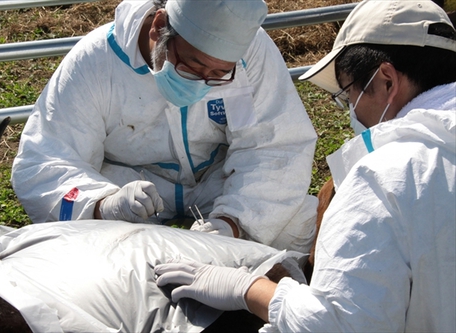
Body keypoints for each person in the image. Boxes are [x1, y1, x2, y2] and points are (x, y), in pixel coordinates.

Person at [154, 0, 456, 331]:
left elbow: (335, 324)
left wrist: (249, 289)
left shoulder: (383, 179)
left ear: (386, 80)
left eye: (347, 94)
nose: (352, 112)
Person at [11, 0, 318, 252]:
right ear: (158, 27)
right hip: (131, 192)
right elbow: (46, 159)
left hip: (221, 181)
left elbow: (276, 146)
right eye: (193, 65)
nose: (202, 83)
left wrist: (232, 224)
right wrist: (104, 205)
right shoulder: (96, 61)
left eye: (218, 74)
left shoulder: (251, 52)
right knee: (104, 261)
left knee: (295, 226)